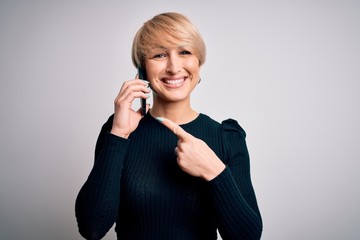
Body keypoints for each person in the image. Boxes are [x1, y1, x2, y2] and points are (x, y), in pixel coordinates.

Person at [75, 12, 262, 240]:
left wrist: (214, 171)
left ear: (198, 63)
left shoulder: (226, 137)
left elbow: (248, 237)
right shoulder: (117, 131)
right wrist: (118, 135)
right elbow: (91, 228)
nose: (174, 67)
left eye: (185, 52)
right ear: (142, 69)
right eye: (159, 55)